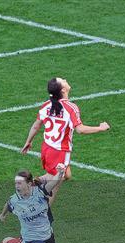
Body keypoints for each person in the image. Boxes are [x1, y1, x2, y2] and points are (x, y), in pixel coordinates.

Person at [21, 77, 110, 205]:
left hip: (46, 148)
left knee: (67, 175)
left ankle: (35, 184)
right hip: (59, 151)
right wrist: (100, 128)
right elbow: (80, 129)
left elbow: (36, 125)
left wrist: (28, 141)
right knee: (58, 180)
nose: (65, 79)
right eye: (62, 80)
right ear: (63, 90)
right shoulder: (70, 108)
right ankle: (44, 213)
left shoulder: (46, 105)